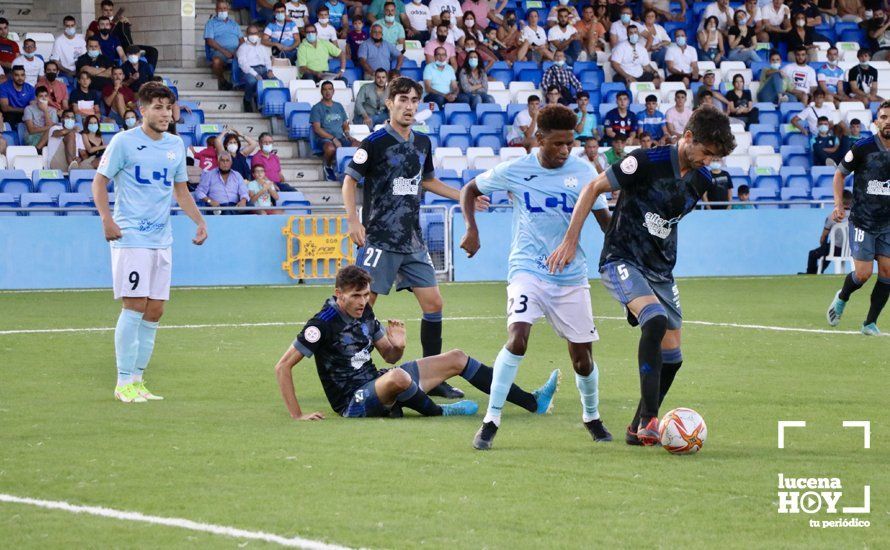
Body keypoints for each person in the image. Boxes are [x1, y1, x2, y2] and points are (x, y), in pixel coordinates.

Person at [547, 106, 736, 446]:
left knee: (673, 358)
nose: (709, 161)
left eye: (715, 157)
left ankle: (637, 428)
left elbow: (665, 218)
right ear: (688, 137)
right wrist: (571, 240)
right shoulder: (645, 162)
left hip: (661, 269)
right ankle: (651, 418)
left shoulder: (702, 178)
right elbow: (592, 188)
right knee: (654, 319)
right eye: (706, 152)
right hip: (623, 256)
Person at [459, 104, 614, 450]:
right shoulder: (516, 169)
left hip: (570, 275)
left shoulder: (583, 169)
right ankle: (491, 420)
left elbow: (605, 221)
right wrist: (472, 228)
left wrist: (621, 250)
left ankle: (592, 416)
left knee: (582, 358)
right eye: (557, 144)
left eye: (569, 144)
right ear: (538, 138)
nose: (564, 151)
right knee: (518, 338)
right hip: (527, 268)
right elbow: (470, 189)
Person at [342, 76, 491, 400]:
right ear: (389, 103)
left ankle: (432, 379)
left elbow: (428, 181)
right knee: (362, 305)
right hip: (380, 239)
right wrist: (354, 220)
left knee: (434, 303)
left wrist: (464, 195)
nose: (409, 106)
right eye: (403, 100)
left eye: (414, 101)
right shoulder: (375, 143)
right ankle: (356, 373)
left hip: (412, 240)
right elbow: (349, 182)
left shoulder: (423, 143)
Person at [275, 265, 559, 419]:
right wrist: (297, 415)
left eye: (366, 295)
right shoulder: (321, 324)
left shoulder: (366, 312)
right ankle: (440, 411)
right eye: (355, 297)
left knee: (456, 357)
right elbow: (283, 367)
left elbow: (389, 356)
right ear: (339, 294)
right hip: (353, 401)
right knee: (398, 378)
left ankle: (533, 403)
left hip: (380, 380)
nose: (362, 302)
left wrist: (397, 345)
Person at [91, 82, 207, 403]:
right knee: (134, 305)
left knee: (155, 311)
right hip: (131, 236)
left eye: (167, 107)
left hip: (162, 238)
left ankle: (139, 381)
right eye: (157, 107)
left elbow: (181, 191)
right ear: (141, 109)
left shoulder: (174, 145)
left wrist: (199, 221)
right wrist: (106, 219)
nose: (165, 113)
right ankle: (123, 382)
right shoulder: (124, 142)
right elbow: (99, 183)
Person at [826, 101, 890, 335]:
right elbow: (839, 175)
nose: (887, 122)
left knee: (887, 272)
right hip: (863, 220)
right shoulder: (862, 148)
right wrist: (838, 204)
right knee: (863, 274)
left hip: (888, 223)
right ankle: (842, 298)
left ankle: (870, 323)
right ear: (876, 122)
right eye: (883, 117)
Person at [311, 80, 360, 180]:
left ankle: (351, 170)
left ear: (333, 91)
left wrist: (348, 135)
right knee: (331, 148)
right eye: (325, 89)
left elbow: (345, 124)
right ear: (321, 92)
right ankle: (328, 167)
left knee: (358, 145)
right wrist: (333, 138)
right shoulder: (316, 108)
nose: (327, 92)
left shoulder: (338, 106)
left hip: (340, 137)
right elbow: (317, 129)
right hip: (324, 139)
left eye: (330, 89)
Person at [805, 190, 852, 274]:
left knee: (815, 253)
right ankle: (818, 271)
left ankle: (811, 274)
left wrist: (822, 244)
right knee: (828, 249)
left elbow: (823, 237)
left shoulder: (833, 217)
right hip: (853, 250)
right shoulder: (857, 216)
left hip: (835, 249)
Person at [204, 0, 244, 91]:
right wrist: (224, 51)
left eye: (224, 8)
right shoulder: (211, 23)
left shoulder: (234, 24)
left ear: (228, 9)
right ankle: (223, 82)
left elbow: (242, 40)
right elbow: (209, 41)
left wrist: (238, 51)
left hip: (236, 51)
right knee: (216, 62)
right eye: (220, 9)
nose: (222, 11)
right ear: (216, 10)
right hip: (220, 52)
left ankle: (241, 84)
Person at [237, 25, 275, 110]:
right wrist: (255, 74)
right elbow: (243, 64)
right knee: (252, 81)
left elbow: (267, 60)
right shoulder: (242, 48)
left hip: (264, 70)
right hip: (249, 71)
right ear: (247, 34)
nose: (253, 35)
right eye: (251, 33)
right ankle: (247, 99)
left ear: (258, 34)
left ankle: (266, 103)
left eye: (255, 33)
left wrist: (269, 70)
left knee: (275, 82)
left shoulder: (262, 47)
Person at [23, 86, 59, 150]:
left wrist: (45, 110)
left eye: (46, 96)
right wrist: (50, 127)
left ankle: (38, 149)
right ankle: (37, 150)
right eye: (41, 96)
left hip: (49, 136)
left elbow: (53, 129)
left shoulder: (53, 110)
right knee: (51, 130)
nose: (44, 98)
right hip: (33, 136)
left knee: (54, 132)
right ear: (36, 98)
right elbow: (31, 130)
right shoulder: (28, 109)